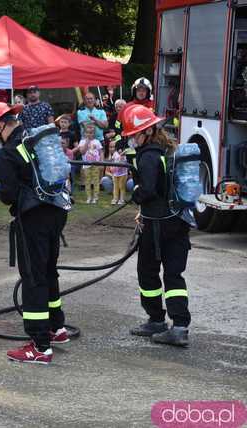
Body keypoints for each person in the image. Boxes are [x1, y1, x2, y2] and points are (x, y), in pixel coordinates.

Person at [0, 101, 70, 365]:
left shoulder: (8, 152)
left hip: (33, 218)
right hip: (56, 211)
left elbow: (8, 195)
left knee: (33, 278)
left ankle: (40, 345)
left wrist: (5, 189)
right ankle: (57, 328)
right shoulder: (35, 138)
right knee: (49, 270)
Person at [121, 104, 191, 347]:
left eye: (133, 135)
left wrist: (136, 194)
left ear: (146, 132)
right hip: (176, 221)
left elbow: (149, 189)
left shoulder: (149, 156)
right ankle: (179, 326)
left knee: (148, 272)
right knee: (173, 274)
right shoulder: (162, 149)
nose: (130, 139)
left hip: (159, 226)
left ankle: (157, 320)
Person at [78, 123, 103, 204]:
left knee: (96, 181)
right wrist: (86, 142)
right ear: (84, 133)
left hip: (95, 164)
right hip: (86, 165)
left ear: (94, 133)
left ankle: (96, 197)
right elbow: (82, 152)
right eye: (87, 132)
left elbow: (101, 152)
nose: (89, 134)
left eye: (91, 132)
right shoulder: (82, 142)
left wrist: (101, 162)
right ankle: (89, 197)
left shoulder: (97, 142)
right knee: (87, 181)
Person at [107, 139, 127, 205]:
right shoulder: (115, 154)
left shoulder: (124, 156)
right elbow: (112, 160)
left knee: (121, 186)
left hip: (122, 174)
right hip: (115, 174)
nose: (120, 150)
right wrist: (111, 167)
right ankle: (115, 199)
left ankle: (122, 199)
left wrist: (122, 156)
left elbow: (122, 164)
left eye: (121, 148)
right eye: (118, 148)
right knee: (115, 187)